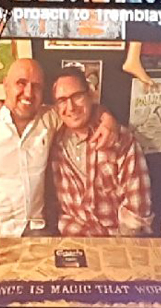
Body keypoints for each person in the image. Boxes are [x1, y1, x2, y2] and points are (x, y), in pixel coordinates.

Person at [0, 58, 118, 237]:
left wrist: (107, 119)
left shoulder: (49, 118)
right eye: (21, 83)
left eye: (36, 86)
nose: (28, 93)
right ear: (5, 86)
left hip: (37, 230)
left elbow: (84, 108)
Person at [49, 67, 154, 236]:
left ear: (90, 95)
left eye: (77, 96)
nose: (70, 106)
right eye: (62, 100)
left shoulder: (120, 139)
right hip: (72, 240)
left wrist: (119, 250)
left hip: (116, 241)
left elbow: (137, 210)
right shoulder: (52, 141)